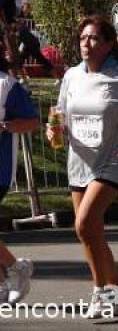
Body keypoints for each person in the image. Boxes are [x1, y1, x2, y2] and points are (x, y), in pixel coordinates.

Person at [47, 16, 118, 317]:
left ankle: (100, 293)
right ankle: (116, 290)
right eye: (83, 38)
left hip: (113, 160)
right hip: (79, 160)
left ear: (109, 44)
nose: (87, 43)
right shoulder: (71, 76)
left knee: (83, 224)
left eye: (95, 38)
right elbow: (59, 113)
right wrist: (53, 129)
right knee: (91, 232)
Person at [0, 53, 38, 304]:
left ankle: (16, 269)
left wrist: (5, 127)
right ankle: (7, 279)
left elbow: (32, 121)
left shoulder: (7, 85)